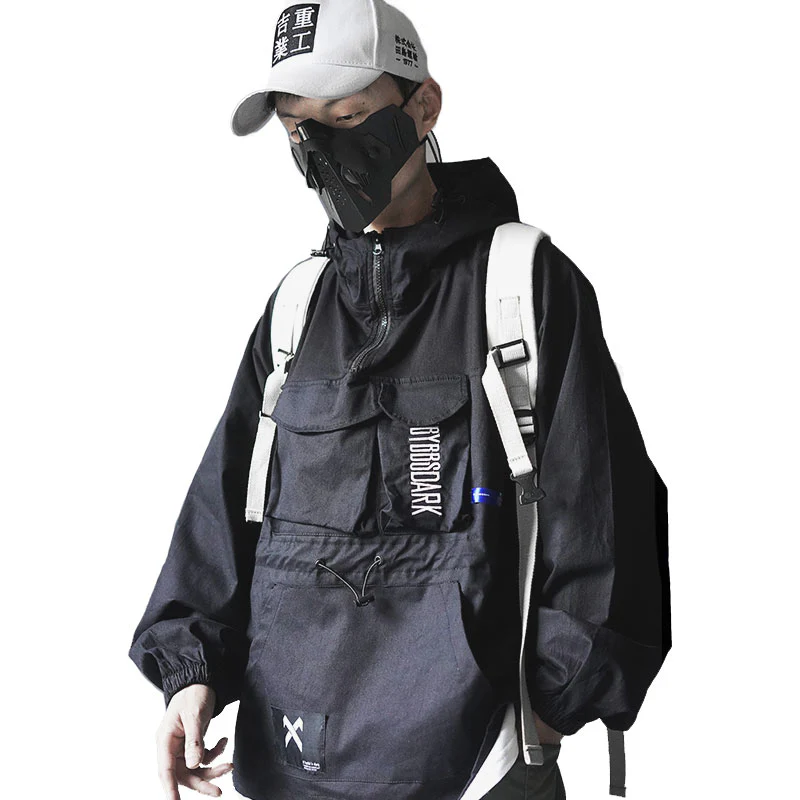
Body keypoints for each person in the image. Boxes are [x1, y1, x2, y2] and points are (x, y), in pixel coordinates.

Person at [128, 2, 670, 800]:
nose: (324, 149)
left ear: (424, 105)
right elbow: (224, 514)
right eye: (298, 128)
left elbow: (604, 514)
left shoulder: (520, 289)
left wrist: (546, 715)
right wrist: (190, 675)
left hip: (473, 770)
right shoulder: (297, 310)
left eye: (349, 116)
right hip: (291, 765)